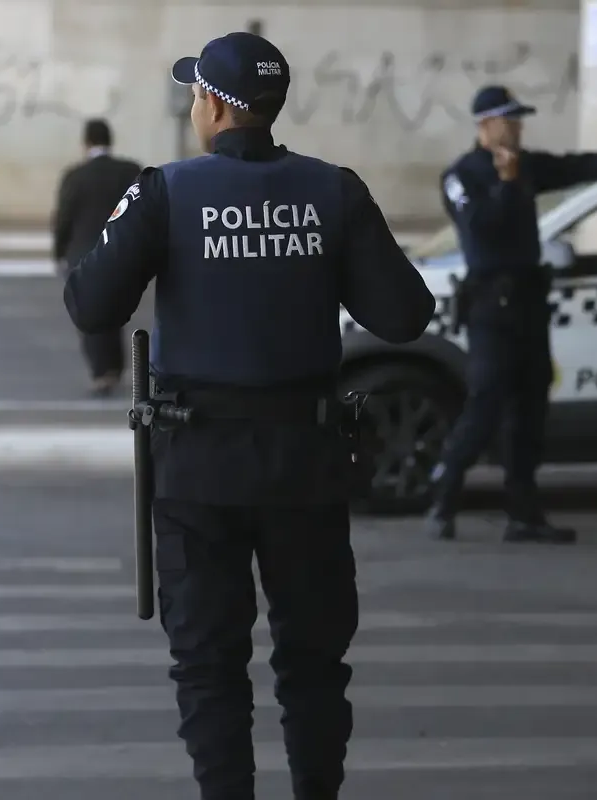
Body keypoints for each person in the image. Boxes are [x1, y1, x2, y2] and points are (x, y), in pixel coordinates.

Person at [63, 31, 435, 800]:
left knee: (208, 662)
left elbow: (90, 303)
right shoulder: (334, 189)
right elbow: (404, 314)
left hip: (199, 467)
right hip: (307, 463)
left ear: (213, 105)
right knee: (314, 663)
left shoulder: (166, 189)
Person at [425, 86, 597, 543]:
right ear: (484, 124)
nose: (518, 127)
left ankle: (523, 514)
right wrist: (505, 184)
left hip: (528, 304)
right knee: (485, 403)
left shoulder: (528, 167)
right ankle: (444, 499)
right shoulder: (462, 175)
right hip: (490, 308)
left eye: (519, 119)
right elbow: (481, 226)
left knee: (530, 408)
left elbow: (584, 166)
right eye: (509, 120)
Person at [52, 118, 142, 395]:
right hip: (122, 251)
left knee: (90, 314)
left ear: (86, 143)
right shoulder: (130, 171)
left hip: (83, 253)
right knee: (116, 310)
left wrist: (59, 253)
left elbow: (63, 219)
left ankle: (103, 372)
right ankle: (115, 366)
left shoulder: (75, 176)